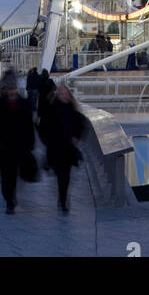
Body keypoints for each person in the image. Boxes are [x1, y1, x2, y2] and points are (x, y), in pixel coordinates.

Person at [0, 72, 36, 214]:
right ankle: (9, 199)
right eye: (9, 88)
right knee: (5, 175)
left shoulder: (23, 104)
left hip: (19, 147)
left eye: (13, 88)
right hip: (4, 147)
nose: (11, 91)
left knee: (13, 175)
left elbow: (29, 125)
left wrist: (30, 143)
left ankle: (11, 199)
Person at [37, 83, 85, 212]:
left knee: (65, 176)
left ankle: (63, 200)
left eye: (65, 93)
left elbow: (81, 125)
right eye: (61, 93)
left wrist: (77, 137)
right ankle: (62, 196)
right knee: (60, 174)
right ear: (57, 95)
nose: (63, 95)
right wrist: (46, 140)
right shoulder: (51, 109)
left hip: (67, 149)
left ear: (69, 96)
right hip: (55, 148)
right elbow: (42, 127)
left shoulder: (73, 110)